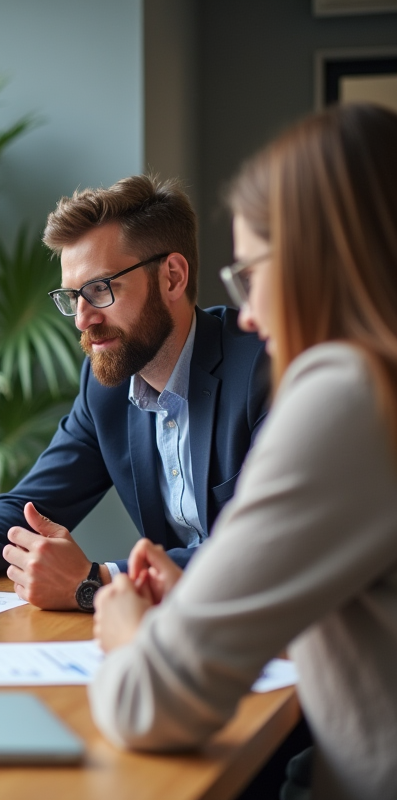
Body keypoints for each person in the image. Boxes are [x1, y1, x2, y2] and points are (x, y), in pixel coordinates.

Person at [90, 103, 397, 800]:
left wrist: (130, 628)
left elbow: (152, 704)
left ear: (323, 259)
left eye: (251, 273)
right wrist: (211, 596)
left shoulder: (350, 390)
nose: (249, 315)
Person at [0, 175, 270, 611]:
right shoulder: (106, 388)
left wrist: (97, 581)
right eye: (73, 296)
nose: (82, 319)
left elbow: (261, 549)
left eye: (100, 290)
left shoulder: (263, 369)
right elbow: (33, 504)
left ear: (172, 277)